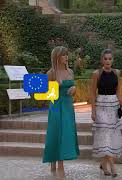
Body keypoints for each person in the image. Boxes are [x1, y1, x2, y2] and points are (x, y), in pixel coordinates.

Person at [43, 46, 80, 179]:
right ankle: (59, 166)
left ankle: (56, 163)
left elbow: (73, 87)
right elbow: (46, 94)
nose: (66, 57)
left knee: (65, 133)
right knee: (56, 133)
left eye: (66, 55)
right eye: (63, 55)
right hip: (56, 106)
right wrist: (54, 87)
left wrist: (74, 89)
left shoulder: (70, 72)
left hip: (68, 106)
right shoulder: (51, 73)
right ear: (57, 57)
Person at [91, 49, 122, 177]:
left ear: (112, 60)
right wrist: (93, 110)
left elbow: (118, 91)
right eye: (105, 59)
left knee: (110, 136)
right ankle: (112, 167)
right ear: (102, 60)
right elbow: (92, 93)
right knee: (104, 136)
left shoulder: (117, 73)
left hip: (113, 107)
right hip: (101, 107)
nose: (107, 61)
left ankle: (103, 164)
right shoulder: (96, 74)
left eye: (110, 59)